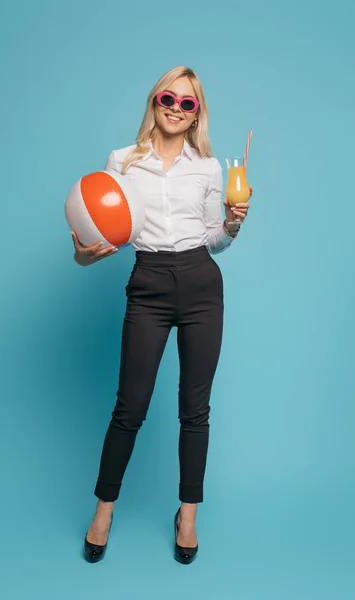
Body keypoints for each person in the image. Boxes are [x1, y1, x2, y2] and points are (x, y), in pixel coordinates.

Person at [71, 65, 252, 564]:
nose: (176, 107)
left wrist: (234, 225)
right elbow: (100, 233)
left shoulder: (210, 169)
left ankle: (187, 514)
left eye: (187, 103)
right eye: (168, 97)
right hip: (147, 283)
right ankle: (104, 509)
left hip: (199, 283)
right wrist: (85, 254)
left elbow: (213, 239)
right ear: (155, 101)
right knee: (130, 405)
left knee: (195, 408)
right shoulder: (122, 161)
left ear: (197, 115)